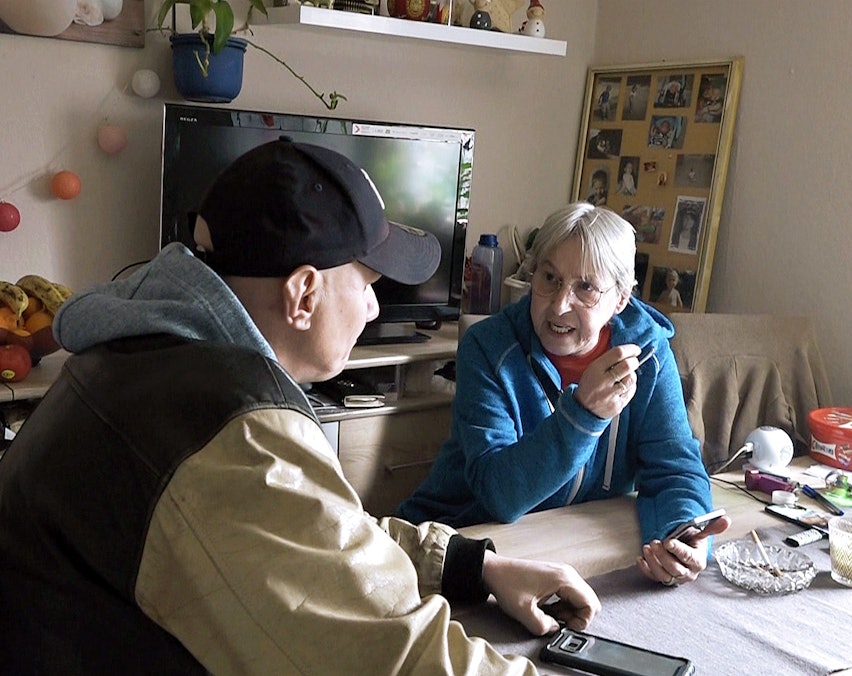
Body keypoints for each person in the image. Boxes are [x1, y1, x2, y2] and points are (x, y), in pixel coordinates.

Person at [0, 140, 600, 673]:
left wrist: (475, 567)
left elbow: (317, 532)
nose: (372, 310)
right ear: (304, 294)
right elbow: (399, 657)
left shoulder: (144, 352)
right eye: (367, 285)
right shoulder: (232, 438)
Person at [398, 203, 730, 588]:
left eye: (585, 288)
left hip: (562, 547)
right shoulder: (487, 348)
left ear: (620, 299)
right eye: (549, 278)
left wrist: (682, 534)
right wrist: (584, 414)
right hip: (455, 546)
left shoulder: (648, 354)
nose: (558, 305)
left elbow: (674, 467)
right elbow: (499, 495)